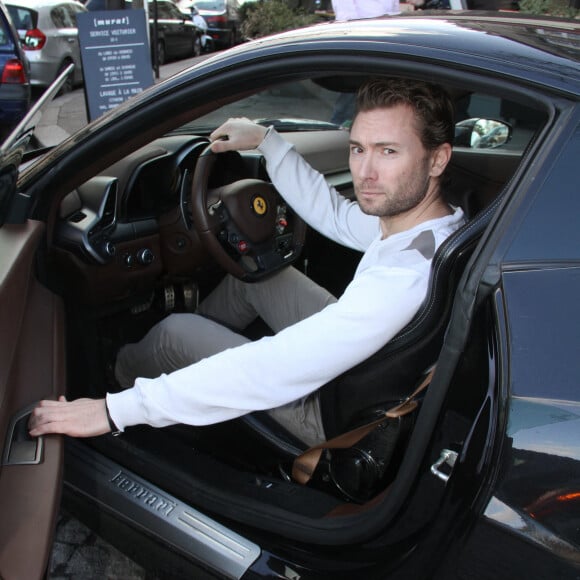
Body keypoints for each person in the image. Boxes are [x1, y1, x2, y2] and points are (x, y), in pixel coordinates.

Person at [28, 78, 465, 445]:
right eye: (357, 149)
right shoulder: (430, 227)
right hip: (364, 364)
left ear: (438, 159)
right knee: (254, 279)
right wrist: (267, 142)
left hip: (335, 409)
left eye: (388, 152)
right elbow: (338, 216)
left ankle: (118, 372)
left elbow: (274, 367)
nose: (365, 172)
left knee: (173, 332)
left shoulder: (404, 277)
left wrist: (113, 410)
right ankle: (183, 368)